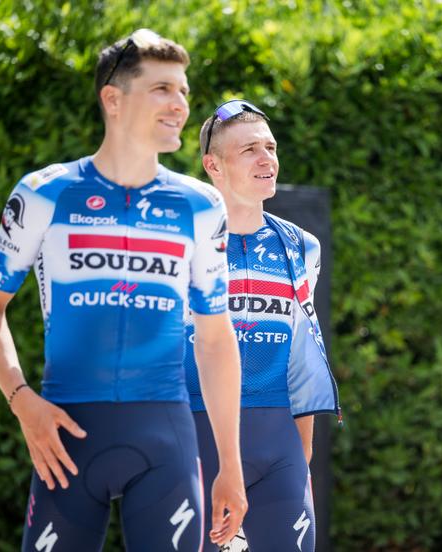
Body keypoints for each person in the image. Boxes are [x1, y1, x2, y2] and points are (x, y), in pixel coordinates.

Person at [0, 29, 247, 551]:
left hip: (166, 437)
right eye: (163, 89)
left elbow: (214, 340)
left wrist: (229, 465)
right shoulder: (44, 193)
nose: (181, 104)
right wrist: (21, 400)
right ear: (113, 99)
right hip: (66, 437)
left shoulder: (202, 206)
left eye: (184, 91)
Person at [184, 100, 341, 552]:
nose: (266, 159)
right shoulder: (184, 242)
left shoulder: (301, 245)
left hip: (279, 443)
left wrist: (302, 454)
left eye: (270, 147)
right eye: (249, 149)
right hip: (198, 438)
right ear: (213, 165)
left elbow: (302, 353)